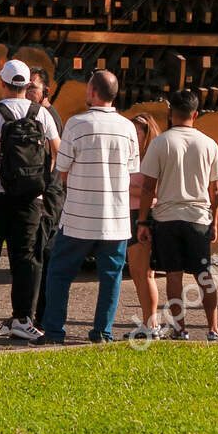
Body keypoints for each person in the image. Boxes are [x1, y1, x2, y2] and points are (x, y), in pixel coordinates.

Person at [0, 58, 60, 343]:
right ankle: (22, 317)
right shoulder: (41, 114)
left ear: (3, 83)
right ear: (27, 84)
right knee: (25, 256)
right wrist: (42, 176)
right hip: (30, 196)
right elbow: (57, 150)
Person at [41, 70, 139, 345]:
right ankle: (102, 331)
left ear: (93, 92)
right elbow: (132, 171)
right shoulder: (128, 127)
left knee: (60, 273)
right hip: (116, 217)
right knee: (111, 278)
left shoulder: (76, 124)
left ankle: (54, 330)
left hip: (79, 217)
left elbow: (62, 170)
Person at [137, 91, 218, 341]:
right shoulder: (209, 144)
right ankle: (213, 329)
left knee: (173, 276)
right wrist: (215, 222)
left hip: (166, 218)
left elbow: (148, 187)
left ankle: (179, 329)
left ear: (170, 113)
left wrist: (143, 221)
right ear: (196, 114)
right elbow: (216, 190)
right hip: (198, 218)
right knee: (204, 275)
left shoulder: (161, 142)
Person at [26, 71, 65, 331]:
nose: (28, 90)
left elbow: (56, 155)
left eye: (33, 87)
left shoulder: (47, 116)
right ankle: (33, 314)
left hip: (49, 194)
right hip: (49, 192)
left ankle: (37, 316)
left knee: (42, 253)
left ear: (45, 92)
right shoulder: (38, 113)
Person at [126, 114, 161, 338]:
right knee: (137, 273)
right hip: (129, 213)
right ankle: (150, 322)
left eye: (137, 132)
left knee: (145, 273)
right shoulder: (131, 155)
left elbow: (154, 190)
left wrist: (122, 188)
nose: (133, 136)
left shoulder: (151, 157)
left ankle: (151, 324)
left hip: (143, 214)